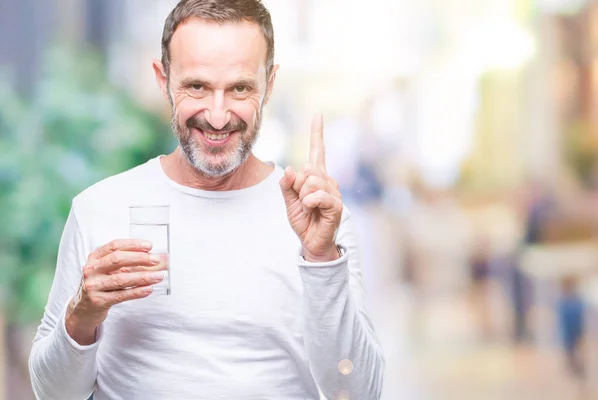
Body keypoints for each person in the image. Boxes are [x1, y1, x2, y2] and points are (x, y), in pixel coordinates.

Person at [28, 1, 385, 399]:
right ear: (163, 80)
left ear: (269, 84)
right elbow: (53, 394)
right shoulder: (100, 209)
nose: (217, 117)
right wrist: (81, 316)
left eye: (240, 88)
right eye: (196, 86)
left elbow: (358, 391)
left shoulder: (319, 222)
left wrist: (321, 260)